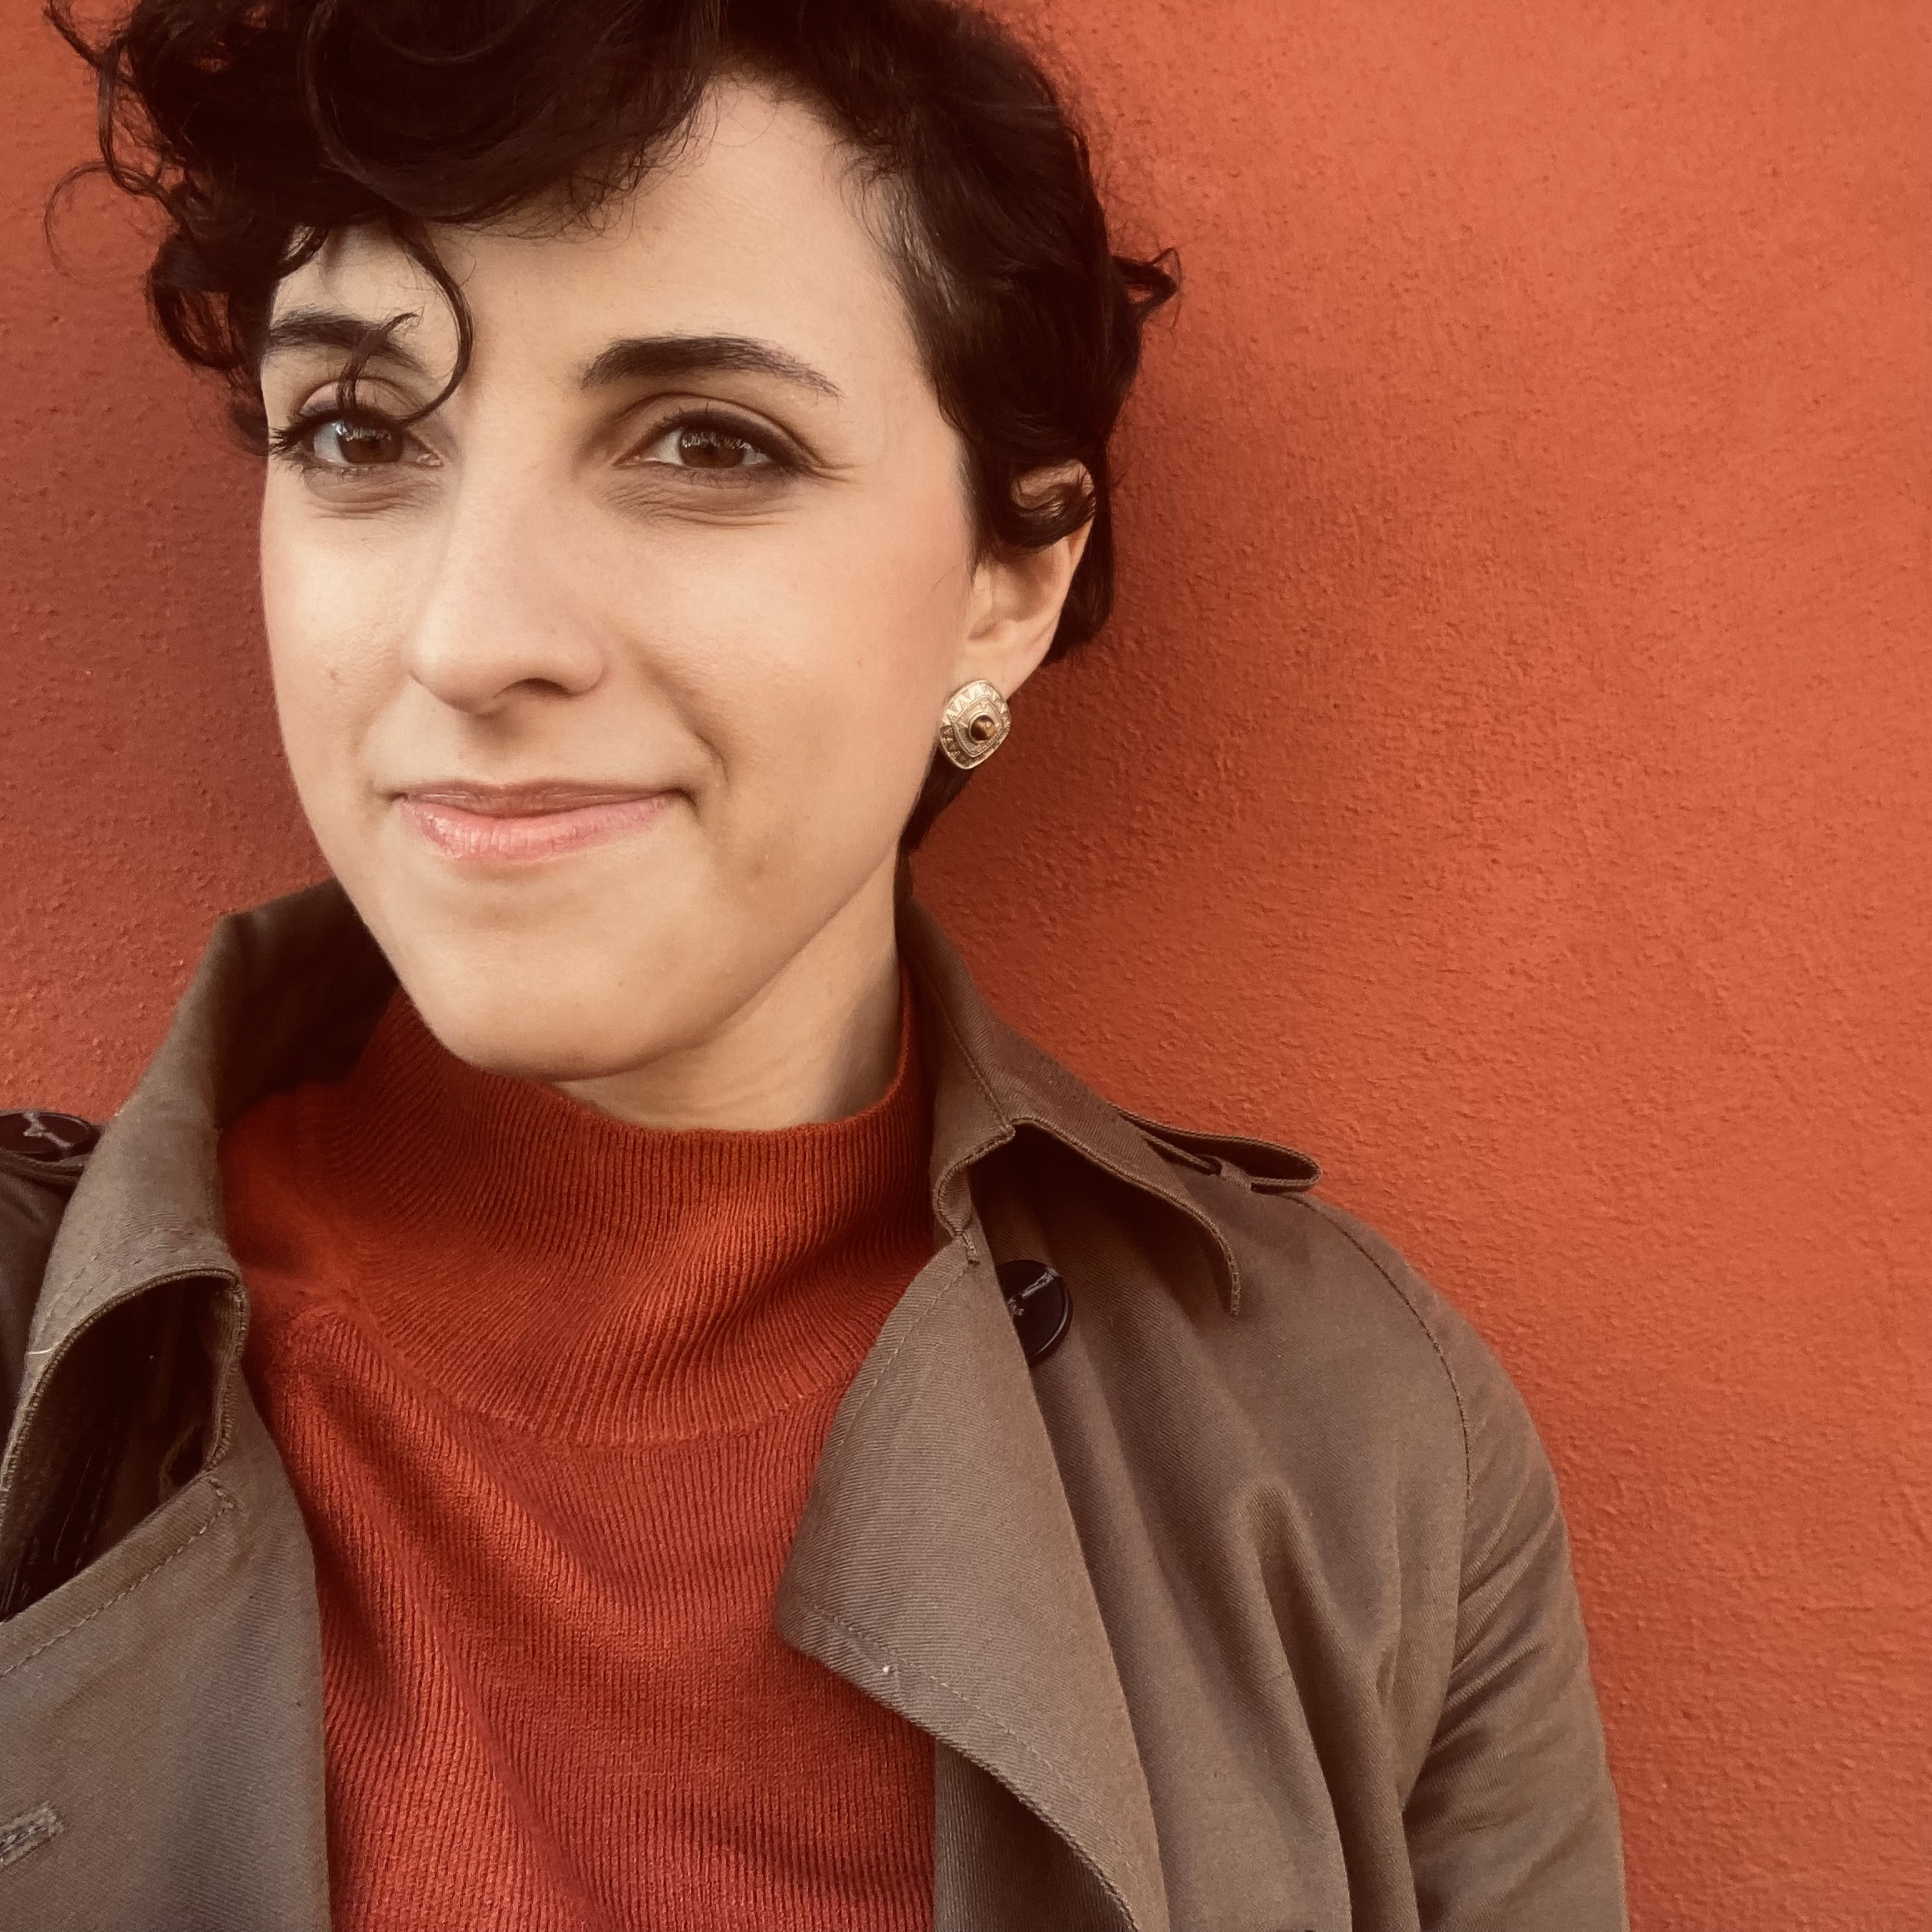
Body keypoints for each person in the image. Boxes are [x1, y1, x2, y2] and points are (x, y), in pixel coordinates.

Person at [0, 0, 1626, 1926]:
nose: (468, 634)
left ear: (1008, 580)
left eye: (708, 441)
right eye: (357, 429)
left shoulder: (1355, 1447)